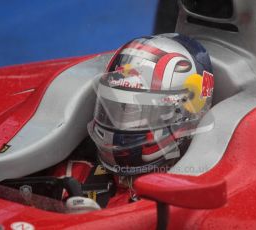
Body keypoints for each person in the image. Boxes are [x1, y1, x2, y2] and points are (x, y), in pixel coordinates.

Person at [88, 33, 214, 179]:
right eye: (111, 108)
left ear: (184, 113)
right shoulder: (79, 173)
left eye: (136, 112)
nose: (119, 122)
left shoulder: (199, 179)